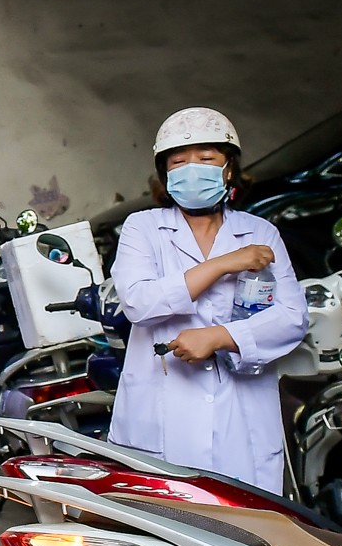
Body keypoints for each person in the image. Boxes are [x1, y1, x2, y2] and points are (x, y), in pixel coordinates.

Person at [109, 108, 308, 491]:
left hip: (242, 411)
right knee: (168, 523)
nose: (192, 168)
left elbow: (292, 317)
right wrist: (224, 263)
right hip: (162, 407)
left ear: (228, 168)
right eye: (179, 161)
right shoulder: (143, 228)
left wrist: (218, 337)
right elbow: (138, 301)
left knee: (246, 524)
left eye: (206, 158)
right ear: (166, 175)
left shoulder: (259, 232)